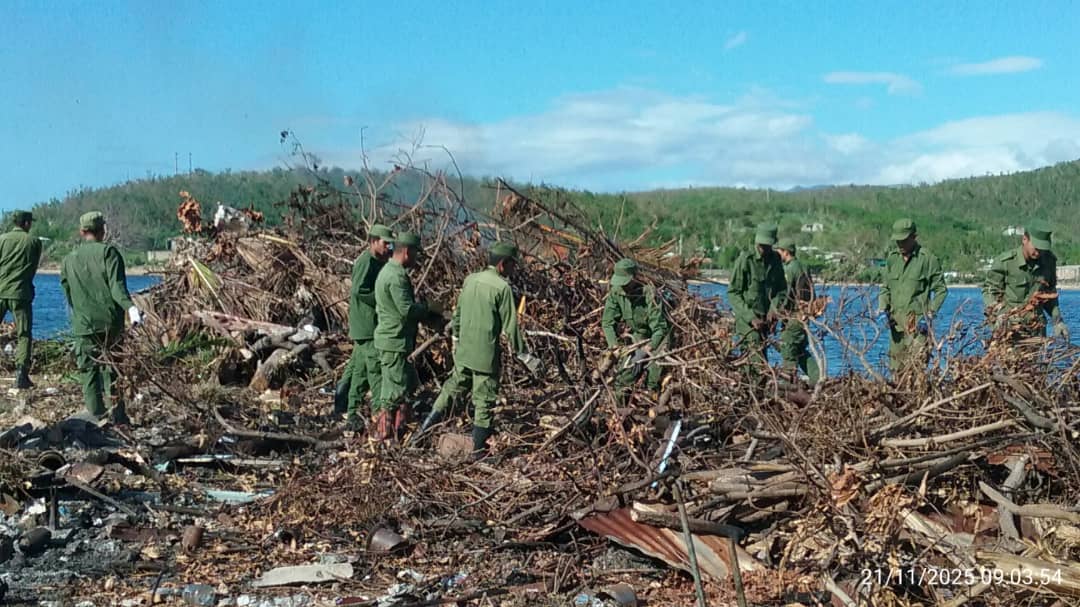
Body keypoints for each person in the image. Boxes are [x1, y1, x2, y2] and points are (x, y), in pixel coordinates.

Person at [419, 242, 542, 455]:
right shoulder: (502, 288)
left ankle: (420, 435)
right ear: (503, 264)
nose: (514, 269)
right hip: (485, 356)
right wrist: (525, 356)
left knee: (450, 390)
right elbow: (511, 327)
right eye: (513, 265)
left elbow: (457, 315)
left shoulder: (470, 280)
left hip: (464, 352)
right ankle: (477, 454)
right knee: (484, 402)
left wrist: (456, 338)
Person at [60, 212, 141, 422]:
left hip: (83, 325)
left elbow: (68, 294)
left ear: (82, 231)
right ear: (103, 230)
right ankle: (118, 417)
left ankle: (96, 418)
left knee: (88, 372)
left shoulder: (69, 260)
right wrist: (131, 309)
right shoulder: (109, 253)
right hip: (109, 323)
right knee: (113, 370)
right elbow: (117, 289)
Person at [372, 231, 442, 441]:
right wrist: (428, 307)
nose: (417, 259)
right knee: (393, 393)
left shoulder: (390, 272)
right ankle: (385, 436)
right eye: (415, 254)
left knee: (406, 387)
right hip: (394, 341)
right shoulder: (396, 276)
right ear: (407, 252)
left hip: (396, 340)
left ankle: (401, 430)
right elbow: (406, 310)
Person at [337, 224, 394, 429]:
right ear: (373, 242)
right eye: (385, 243)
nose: (388, 247)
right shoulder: (366, 261)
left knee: (357, 369)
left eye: (390, 243)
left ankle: (347, 408)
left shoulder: (380, 261)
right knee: (374, 368)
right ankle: (379, 413)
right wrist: (382, 300)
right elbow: (359, 290)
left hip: (369, 324)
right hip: (366, 324)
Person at [878, 219, 947, 372]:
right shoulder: (892, 259)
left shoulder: (928, 259)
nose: (900, 245)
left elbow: (941, 290)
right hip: (895, 327)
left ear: (913, 237)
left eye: (903, 241)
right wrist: (883, 309)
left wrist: (929, 315)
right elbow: (885, 288)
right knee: (896, 371)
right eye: (897, 241)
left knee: (916, 370)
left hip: (918, 326)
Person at [982, 220, 1069, 342]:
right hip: (1008, 331)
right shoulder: (1005, 262)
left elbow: (1050, 295)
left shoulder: (1049, 262)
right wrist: (998, 316)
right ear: (1024, 239)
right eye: (1036, 247)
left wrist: (1057, 321)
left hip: (1036, 331)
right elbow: (990, 291)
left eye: (1042, 249)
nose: (1039, 252)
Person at [601, 258, 670, 399]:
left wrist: (650, 347)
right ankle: (620, 411)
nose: (623, 287)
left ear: (633, 278)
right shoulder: (616, 292)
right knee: (623, 377)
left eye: (625, 282)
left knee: (654, 372)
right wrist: (613, 345)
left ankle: (655, 401)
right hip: (639, 335)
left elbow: (660, 328)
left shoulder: (649, 293)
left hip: (660, 336)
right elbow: (607, 322)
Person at [728, 223, 786, 370]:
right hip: (746, 321)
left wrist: (774, 309)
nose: (763, 249)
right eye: (761, 245)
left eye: (767, 245)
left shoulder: (775, 260)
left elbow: (781, 290)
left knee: (760, 358)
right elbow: (733, 293)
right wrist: (750, 317)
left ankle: (754, 389)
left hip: (765, 320)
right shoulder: (745, 260)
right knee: (756, 358)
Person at [0, 211, 42, 389]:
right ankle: (21, 374)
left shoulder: (1, 239)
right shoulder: (34, 242)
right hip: (21, 293)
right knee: (24, 334)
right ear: (26, 223)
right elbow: (32, 268)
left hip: (1, 290)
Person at [775, 239, 819, 385]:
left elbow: (786, 295)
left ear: (786, 252)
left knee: (788, 348)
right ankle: (818, 379)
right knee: (800, 350)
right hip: (805, 314)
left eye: (779, 251)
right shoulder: (803, 266)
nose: (777, 253)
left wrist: (777, 313)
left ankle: (788, 385)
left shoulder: (790, 269)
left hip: (794, 315)